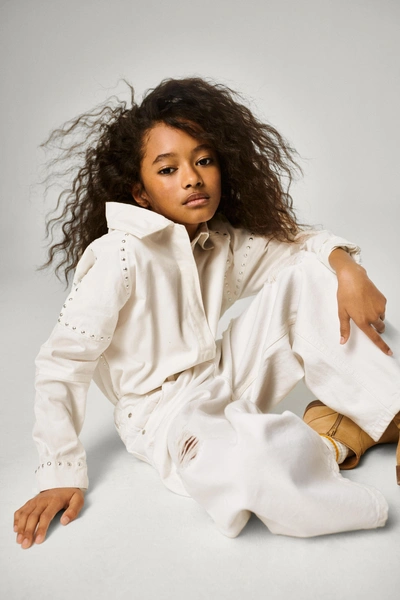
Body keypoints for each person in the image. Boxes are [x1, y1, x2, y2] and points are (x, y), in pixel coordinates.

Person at [14, 77, 400, 549]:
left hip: (220, 374)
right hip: (162, 416)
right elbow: (61, 364)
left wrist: (347, 269)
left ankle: (392, 407)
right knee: (251, 476)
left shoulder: (217, 241)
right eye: (168, 169)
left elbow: (301, 248)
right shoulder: (118, 255)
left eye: (203, 161)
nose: (192, 178)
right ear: (140, 193)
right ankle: (334, 439)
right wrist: (59, 474)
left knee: (311, 276)